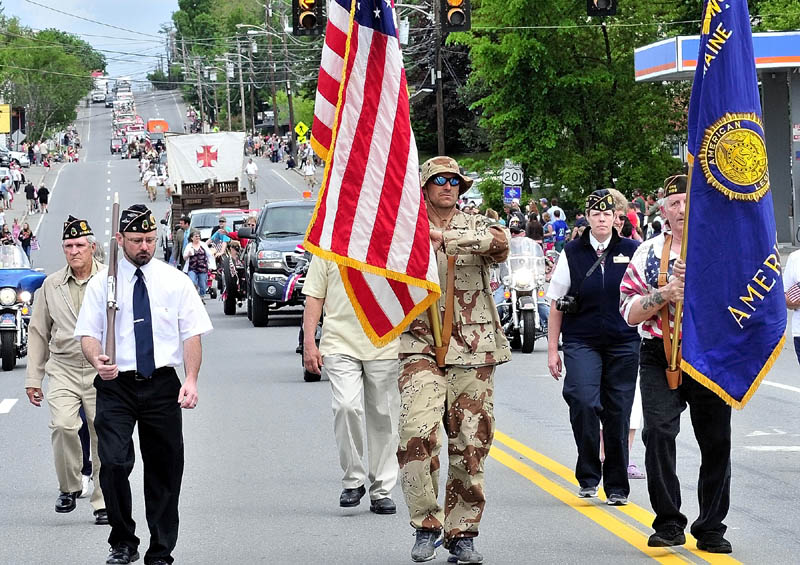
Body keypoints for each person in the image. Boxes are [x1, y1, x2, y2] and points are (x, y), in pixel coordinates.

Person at [75, 204, 213, 565]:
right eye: (136, 240)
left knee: (165, 470)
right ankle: (123, 540)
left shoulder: (175, 281)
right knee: (115, 462)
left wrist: (192, 379)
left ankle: (161, 550)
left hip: (161, 384)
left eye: (150, 240)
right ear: (120, 239)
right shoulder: (102, 285)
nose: (144, 247)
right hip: (116, 385)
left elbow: (192, 334)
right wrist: (96, 359)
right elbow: (88, 334)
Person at [397, 156, 511, 564]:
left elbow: (501, 244)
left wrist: (448, 241)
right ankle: (426, 525)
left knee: (471, 442)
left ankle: (462, 532)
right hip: (420, 345)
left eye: (454, 181)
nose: (448, 186)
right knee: (416, 434)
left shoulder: (476, 224)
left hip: (473, 347)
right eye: (439, 180)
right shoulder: (405, 230)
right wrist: (420, 239)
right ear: (425, 186)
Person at [619, 174, 733, 554]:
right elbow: (630, 313)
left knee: (717, 441)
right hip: (658, 353)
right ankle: (668, 522)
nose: (681, 209)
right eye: (674, 204)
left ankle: (712, 526)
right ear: (663, 211)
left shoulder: (722, 249)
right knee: (658, 435)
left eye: (687, 201)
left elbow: (744, 302)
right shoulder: (647, 252)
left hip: (710, 354)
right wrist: (665, 293)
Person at [546, 189, 640, 505]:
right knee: (584, 401)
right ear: (588, 217)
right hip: (581, 340)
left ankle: (617, 485)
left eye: (608, 214)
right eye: (596, 214)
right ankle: (588, 474)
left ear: (617, 218)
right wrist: (551, 350)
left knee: (618, 412)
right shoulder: (571, 252)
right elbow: (557, 303)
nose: (602, 219)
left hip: (623, 342)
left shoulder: (632, 250)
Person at [302, 255, 400, 515]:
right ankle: (353, 480)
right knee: (346, 405)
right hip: (339, 342)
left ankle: (382, 490)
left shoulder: (390, 239)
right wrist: (309, 342)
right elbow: (314, 296)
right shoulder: (327, 245)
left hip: (384, 341)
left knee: (383, 415)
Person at [25, 216, 107, 524]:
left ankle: (102, 503)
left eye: (79, 245)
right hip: (64, 367)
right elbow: (37, 332)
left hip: (102, 369)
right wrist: (34, 378)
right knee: (63, 425)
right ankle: (70, 486)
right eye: (68, 246)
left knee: (103, 437)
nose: (74, 251)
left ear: (91, 247)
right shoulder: (51, 285)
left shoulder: (108, 280)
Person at [182, 230, 215, 297]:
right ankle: (195, 296)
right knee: (192, 281)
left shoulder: (203, 245)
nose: (197, 237)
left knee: (202, 284)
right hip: (192, 268)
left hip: (202, 268)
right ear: (192, 238)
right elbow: (184, 257)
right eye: (196, 236)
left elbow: (210, 255)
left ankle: (201, 295)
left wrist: (211, 265)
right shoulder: (189, 246)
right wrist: (188, 255)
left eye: (199, 236)